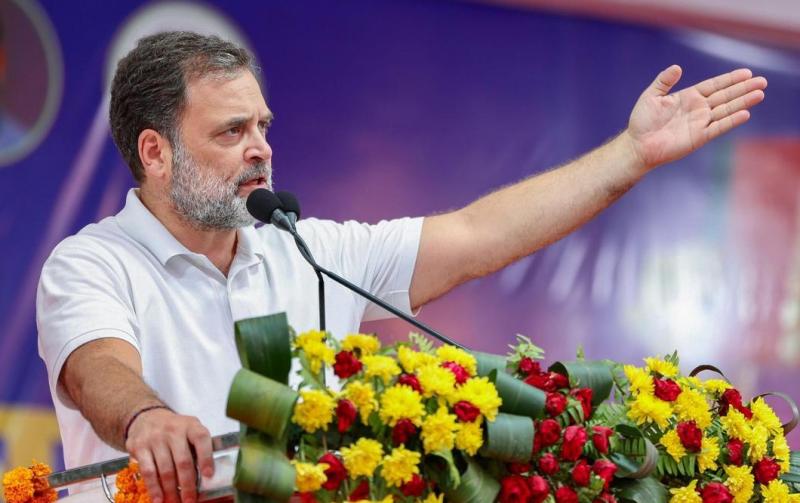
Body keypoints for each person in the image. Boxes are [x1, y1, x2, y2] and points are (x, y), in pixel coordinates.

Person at [36, 31, 766, 503]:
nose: (261, 147)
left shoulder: (310, 251)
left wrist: (631, 155)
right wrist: (148, 417)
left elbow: (479, 234)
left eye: (262, 126)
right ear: (156, 153)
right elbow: (98, 367)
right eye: (232, 131)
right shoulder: (93, 263)